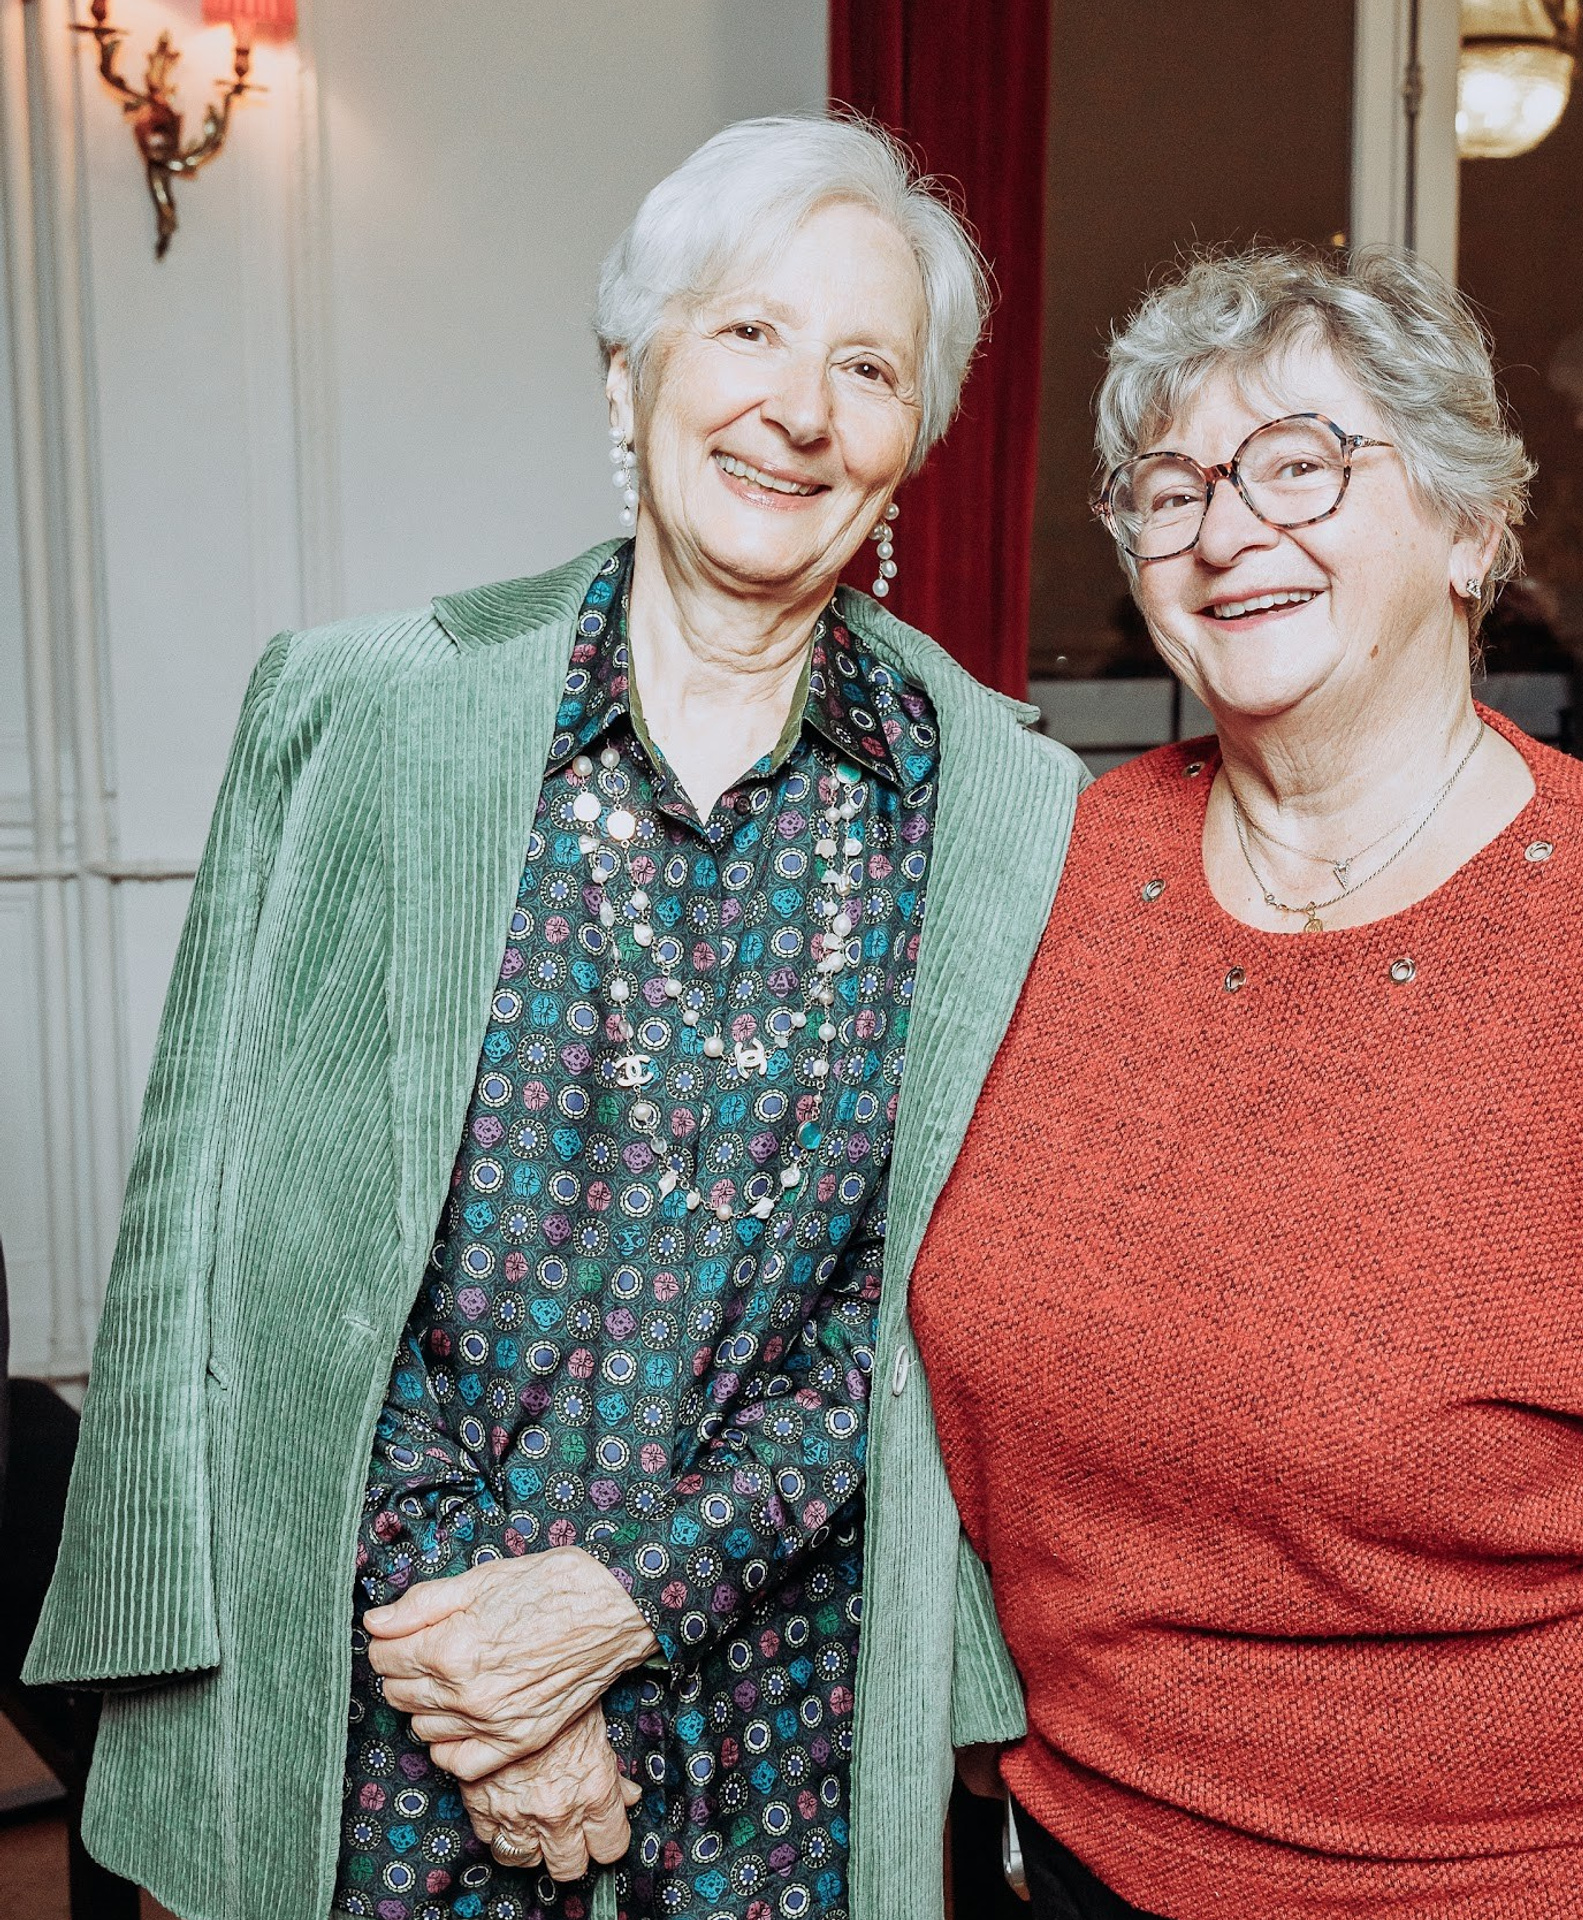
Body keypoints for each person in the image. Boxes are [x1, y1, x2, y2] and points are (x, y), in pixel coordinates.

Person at [25, 114, 1083, 1920]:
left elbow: (943, 1301)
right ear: (632, 361)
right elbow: (246, 1231)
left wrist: (622, 1600)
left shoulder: (1007, 803)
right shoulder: (358, 714)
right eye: (746, 330)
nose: (799, 410)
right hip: (386, 1697)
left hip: (784, 1720)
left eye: (868, 366)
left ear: (915, 442)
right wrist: (494, 1674)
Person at [909, 246, 1583, 1920]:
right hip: (1063, 1858)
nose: (1229, 531)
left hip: (1490, 1888)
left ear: (1468, 528)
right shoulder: (1041, 877)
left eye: (1300, 465)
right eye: (1174, 489)